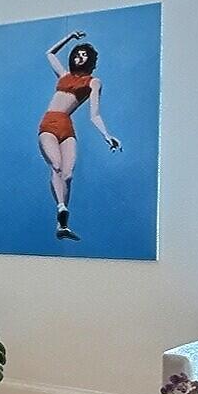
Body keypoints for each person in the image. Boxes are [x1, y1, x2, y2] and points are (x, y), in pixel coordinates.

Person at [38, 31, 121, 241]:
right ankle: (61, 206)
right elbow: (49, 53)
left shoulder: (93, 82)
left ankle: (62, 222)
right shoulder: (64, 76)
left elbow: (94, 114)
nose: (79, 57)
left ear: (90, 60)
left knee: (68, 175)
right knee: (56, 166)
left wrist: (107, 135)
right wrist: (69, 37)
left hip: (67, 126)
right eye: (77, 54)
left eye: (84, 55)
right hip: (49, 122)